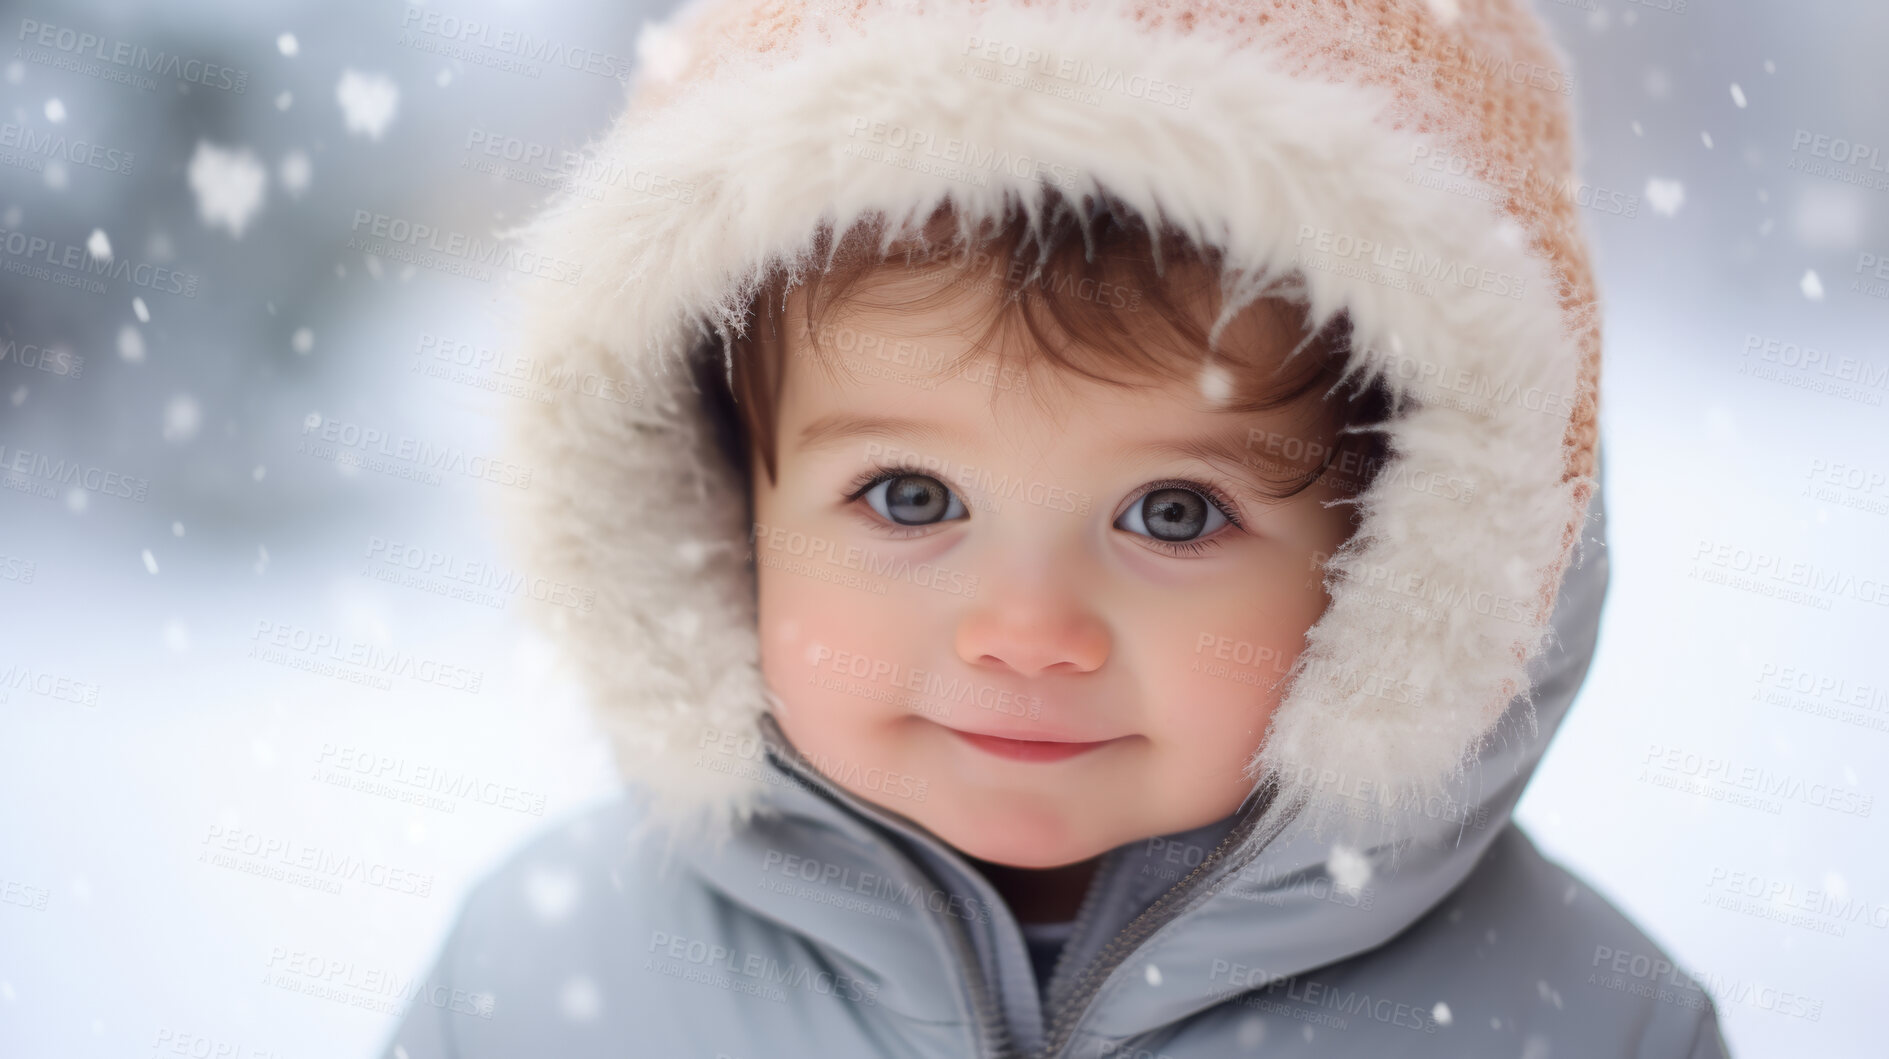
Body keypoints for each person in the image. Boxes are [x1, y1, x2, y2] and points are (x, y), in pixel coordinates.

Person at [380, 0, 1730, 1055]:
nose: (1026, 632)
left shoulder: (1578, 1022)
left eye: (1173, 511)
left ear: (1396, 558)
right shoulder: (543, 987)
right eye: (910, 497)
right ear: (723, 504)